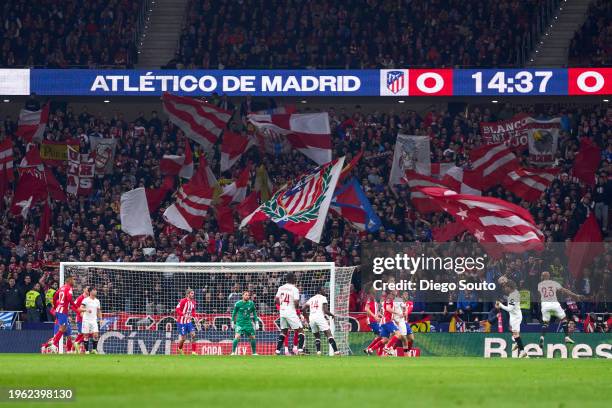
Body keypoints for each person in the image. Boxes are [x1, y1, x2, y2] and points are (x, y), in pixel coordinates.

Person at [537, 271, 584, 348]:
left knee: (545, 323)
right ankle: (566, 337)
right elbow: (565, 290)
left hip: (545, 305)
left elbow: (540, 294)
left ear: (542, 277)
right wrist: (575, 295)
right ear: (548, 276)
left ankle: (542, 337)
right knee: (564, 319)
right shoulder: (553, 283)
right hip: (554, 303)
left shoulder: (539, 285)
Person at [303, 286, 339, 356]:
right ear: (319, 291)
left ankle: (318, 352)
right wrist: (332, 315)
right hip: (319, 317)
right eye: (323, 290)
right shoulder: (323, 298)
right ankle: (336, 352)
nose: (324, 291)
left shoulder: (311, 298)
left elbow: (303, 308)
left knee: (317, 336)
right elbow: (325, 311)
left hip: (312, 318)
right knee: (328, 333)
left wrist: (307, 318)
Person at [274, 273, 304, 355]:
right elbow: (296, 302)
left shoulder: (281, 287)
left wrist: (282, 306)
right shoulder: (295, 289)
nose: (296, 278)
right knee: (301, 330)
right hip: (291, 312)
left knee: (284, 331)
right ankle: (300, 350)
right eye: (295, 277)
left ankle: (277, 351)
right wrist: (298, 310)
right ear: (292, 278)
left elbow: (276, 300)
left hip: (282, 312)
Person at [496, 281, 528, 358]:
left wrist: (500, 305)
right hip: (515, 316)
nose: (504, 289)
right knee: (515, 334)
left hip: (515, 317)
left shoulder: (513, 296)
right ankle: (518, 343)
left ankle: (522, 351)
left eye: (506, 287)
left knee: (515, 335)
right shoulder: (515, 293)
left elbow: (510, 309)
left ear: (510, 287)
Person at [49, 276, 76, 353]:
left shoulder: (61, 289)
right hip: (62, 313)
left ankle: (68, 350)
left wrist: (55, 307)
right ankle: (53, 344)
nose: (74, 281)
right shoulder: (69, 289)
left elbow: (54, 298)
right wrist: (76, 307)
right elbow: (69, 299)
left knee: (68, 333)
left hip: (62, 313)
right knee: (62, 329)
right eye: (73, 280)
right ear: (69, 280)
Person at [230, 290, 259, 355]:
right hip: (240, 323)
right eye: (246, 295)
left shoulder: (251, 303)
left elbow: (254, 313)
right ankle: (233, 352)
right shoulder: (238, 304)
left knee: (253, 337)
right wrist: (232, 322)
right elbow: (234, 313)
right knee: (237, 336)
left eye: (248, 295)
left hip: (248, 323)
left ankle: (254, 353)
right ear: (242, 296)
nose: (247, 296)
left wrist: (256, 322)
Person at [175, 288, 198, 355]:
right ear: (188, 294)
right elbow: (177, 310)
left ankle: (193, 352)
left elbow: (193, 311)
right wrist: (184, 315)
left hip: (189, 322)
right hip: (181, 322)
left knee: (193, 335)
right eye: (191, 293)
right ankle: (179, 348)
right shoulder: (183, 301)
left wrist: (195, 317)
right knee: (183, 339)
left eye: (193, 293)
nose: (193, 295)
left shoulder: (193, 302)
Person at [81, 288, 102, 354]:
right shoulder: (86, 300)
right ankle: (87, 351)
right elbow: (80, 308)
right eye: (94, 290)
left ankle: (94, 349)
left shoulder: (97, 301)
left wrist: (100, 319)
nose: (95, 291)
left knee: (96, 334)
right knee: (86, 335)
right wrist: (86, 310)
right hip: (86, 320)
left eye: (96, 290)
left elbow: (98, 311)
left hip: (94, 320)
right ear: (90, 292)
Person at [72, 286, 90, 353]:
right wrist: (79, 313)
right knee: (82, 334)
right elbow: (73, 306)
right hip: (80, 319)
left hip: (88, 319)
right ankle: (74, 348)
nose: (88, 290)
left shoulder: (89, 298)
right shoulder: (80, 298)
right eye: (87, 288)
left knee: (86, 334)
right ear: (84, 289)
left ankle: (77, 347)